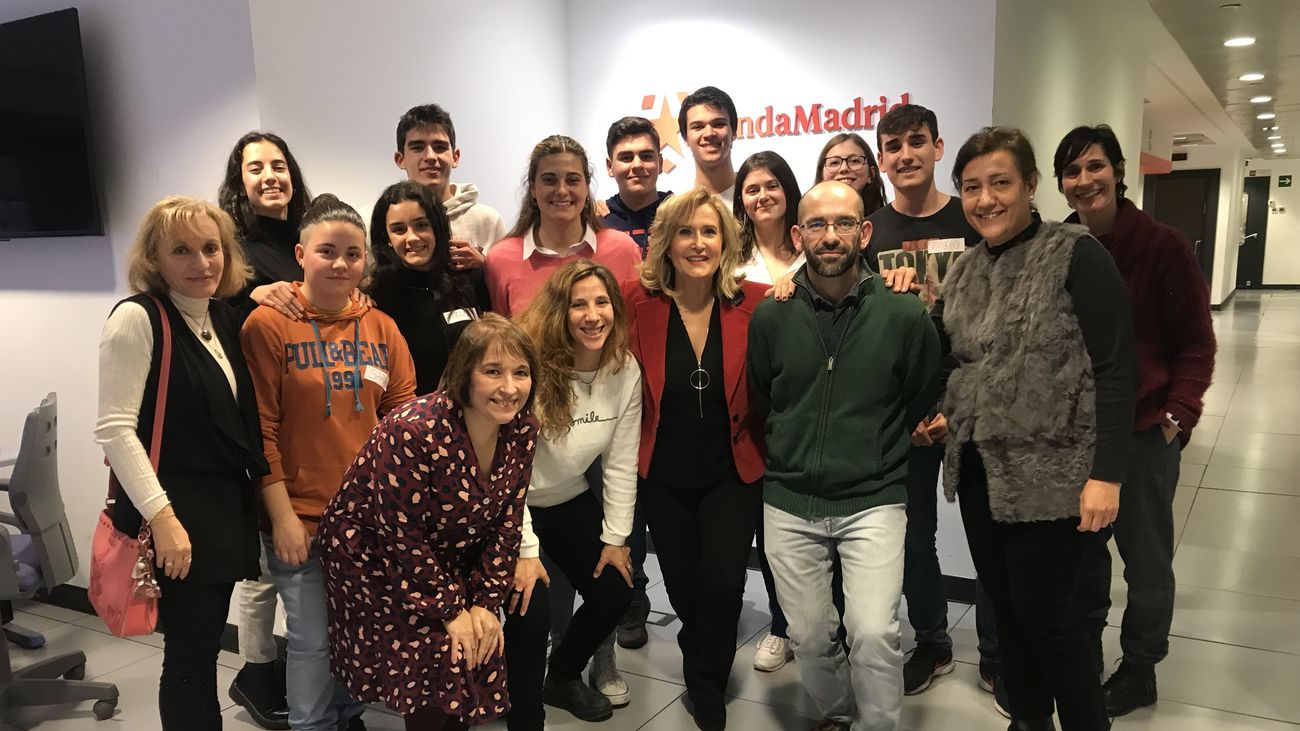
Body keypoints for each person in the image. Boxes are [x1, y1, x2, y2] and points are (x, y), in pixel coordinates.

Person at [943, 126, 1137, 731]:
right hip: (982, 474)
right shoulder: (964, 269)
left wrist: (1107, 475)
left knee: (1052, 620)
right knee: (1007, 610)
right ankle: (1028, 720)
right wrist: (943, 411)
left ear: (1030, 185)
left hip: (1056, 479)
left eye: (1000, 182)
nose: (986, 199)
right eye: (971, 187)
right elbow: (959, 362)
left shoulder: (1076, 254)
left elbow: (1115, 369)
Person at [749, 181, 941, 731]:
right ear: (798, 235)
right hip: (789, 498)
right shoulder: (772, 315)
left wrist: (876, 445)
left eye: (843, 223)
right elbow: (763, 400)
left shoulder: (903, 314)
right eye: (816, 224)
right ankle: (836, 714)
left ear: (865, 231)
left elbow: (920, 394)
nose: (829, 235)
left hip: (873, 497)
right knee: (808, 635)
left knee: (874, 633)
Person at [1053, 124, 1216, 717]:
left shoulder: (1163, 247)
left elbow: (1196, 343)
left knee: (1145, 560)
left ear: (1119, 171)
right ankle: (1084, 654)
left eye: (1095, 166)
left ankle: (1141, 667)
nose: (1084, 180)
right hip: (1076, 433)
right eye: (1072, 171)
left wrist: (1178, 415)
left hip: (1145, 429)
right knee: (1084, 557)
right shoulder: (1057, 247)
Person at [240, 194, 418, 731]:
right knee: (313, 639)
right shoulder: (267, 326)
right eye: (327, 251)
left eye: (352, 254)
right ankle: (312, 725)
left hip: (366, 521)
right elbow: (261, 432)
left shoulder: (381, 327)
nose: (340, 264)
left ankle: (347, 716)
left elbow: (403, 421)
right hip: (301, 517)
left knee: (356, 631)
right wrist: (283, 518)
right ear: (300, 254)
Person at [318, 314, 539, 731]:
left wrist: (484, 602)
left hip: (448, 549)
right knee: (441, 653)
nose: (510, 387)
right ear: (464, 374)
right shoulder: (413, 429)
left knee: (477, 640)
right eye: (493, 371)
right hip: (373, 557)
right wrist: (451, 610)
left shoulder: (523, 429)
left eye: (521, 372)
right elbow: (400, 536)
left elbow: (508, 520)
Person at [95, 196, 268, 730]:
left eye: (211, 248)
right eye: (182, 251)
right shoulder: (138, 318)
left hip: (221, 512)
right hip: (175, 515)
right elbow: (115, 430)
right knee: (191, 663)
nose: (201, 262)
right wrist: (164, 519)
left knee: (202, 649)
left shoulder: (222, 316)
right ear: (155, 259)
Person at [867, 103, 1003, 705]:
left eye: (917, 141)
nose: (906, 155)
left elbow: (1001, 326)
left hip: (976, 409)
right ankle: (932, 642)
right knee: (913, 540)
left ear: (938, 147)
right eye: (893, 146)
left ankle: (997, 653)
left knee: (991, 537)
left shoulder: (973, 220)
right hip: (909, 418)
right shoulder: (869, 232)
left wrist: (961, 404)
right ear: (881, 159)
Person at [623, 187, 768, 731]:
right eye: (685, 232)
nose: (698, 243)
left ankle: (706, 682)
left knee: (725, 583)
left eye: (710, 231)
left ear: (726, 242)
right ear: (666, 242)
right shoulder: (635, 302)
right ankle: (700, 642)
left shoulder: (757, 302)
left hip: (733, 472)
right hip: (664, 475)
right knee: (684, 587)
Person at [503, 260, 641, 728]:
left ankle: (560, 677)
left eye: (602, 302)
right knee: (530, 610)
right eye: (578, 304)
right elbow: (510, 472)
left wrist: (615, 539)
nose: (592, 315)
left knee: (614, 592)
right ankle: (526, 718)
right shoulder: (532, 369)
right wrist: (526, 551)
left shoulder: (624, 369)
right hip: (512, 506)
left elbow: (620, 461)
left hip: (568, 496)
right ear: (559, 312)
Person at [217, 130, 312, 730]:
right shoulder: (233, 250)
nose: (270, 176)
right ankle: (255, 671)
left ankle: (294, 669)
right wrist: (253, 292)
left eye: (279, 165)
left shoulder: (307, 236)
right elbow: (216, 315)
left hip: (310, 417)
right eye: (256, 168)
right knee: (262, 570)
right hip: (258, 421)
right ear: (240, 180)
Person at [731, 149, 804, 674]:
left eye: (771, 185)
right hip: (748, 411)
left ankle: (814, 627)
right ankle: (780, 626)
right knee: (764, 532)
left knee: (804, 533)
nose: (762, 196)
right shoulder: (731, 260)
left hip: (804, 408)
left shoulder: (814, 247)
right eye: (752, 189)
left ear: (788, 190)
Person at [485, 135, 641, 317]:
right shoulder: (500, 260)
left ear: (586, 186)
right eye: (549, 180)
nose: (561, 190)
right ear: (533, 188)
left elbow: (634, 327)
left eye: (572, 180)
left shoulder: (623, 250)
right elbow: (501, 333)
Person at [368, 181, 492, 395]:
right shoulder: (377, 299)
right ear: (387, 238)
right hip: (413, 413)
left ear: (437, 227)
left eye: (421, 225)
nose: (412, 237)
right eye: (399, 229)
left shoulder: (472, 279)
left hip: (475, 408)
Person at [394, 103, 508, 268]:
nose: (430, 156)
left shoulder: (488, 221)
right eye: (418, 148)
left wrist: (485, 266)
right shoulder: (378, 220)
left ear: (455, 157)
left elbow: (508, 280)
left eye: (439, 147)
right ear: (400, 160)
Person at [603, 116, 672, 258]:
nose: (637, 165)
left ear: (660, 163)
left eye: (646, 156)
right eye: (626, 158)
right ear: (610, 167)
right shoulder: (597, 221)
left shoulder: (681, 214)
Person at [679, 86, 739, 202]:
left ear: (734, 132)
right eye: (698, 127)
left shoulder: (757, 199)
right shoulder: (679, 207)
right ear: (685, 138)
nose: (709, 133)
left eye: (718, 124)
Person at [814, 132, 888, 217]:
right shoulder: (806, 222)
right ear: (821, 175)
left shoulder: (886, 222)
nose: (844, 168)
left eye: (854, 161)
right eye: (834, 162)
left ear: (870, 174)